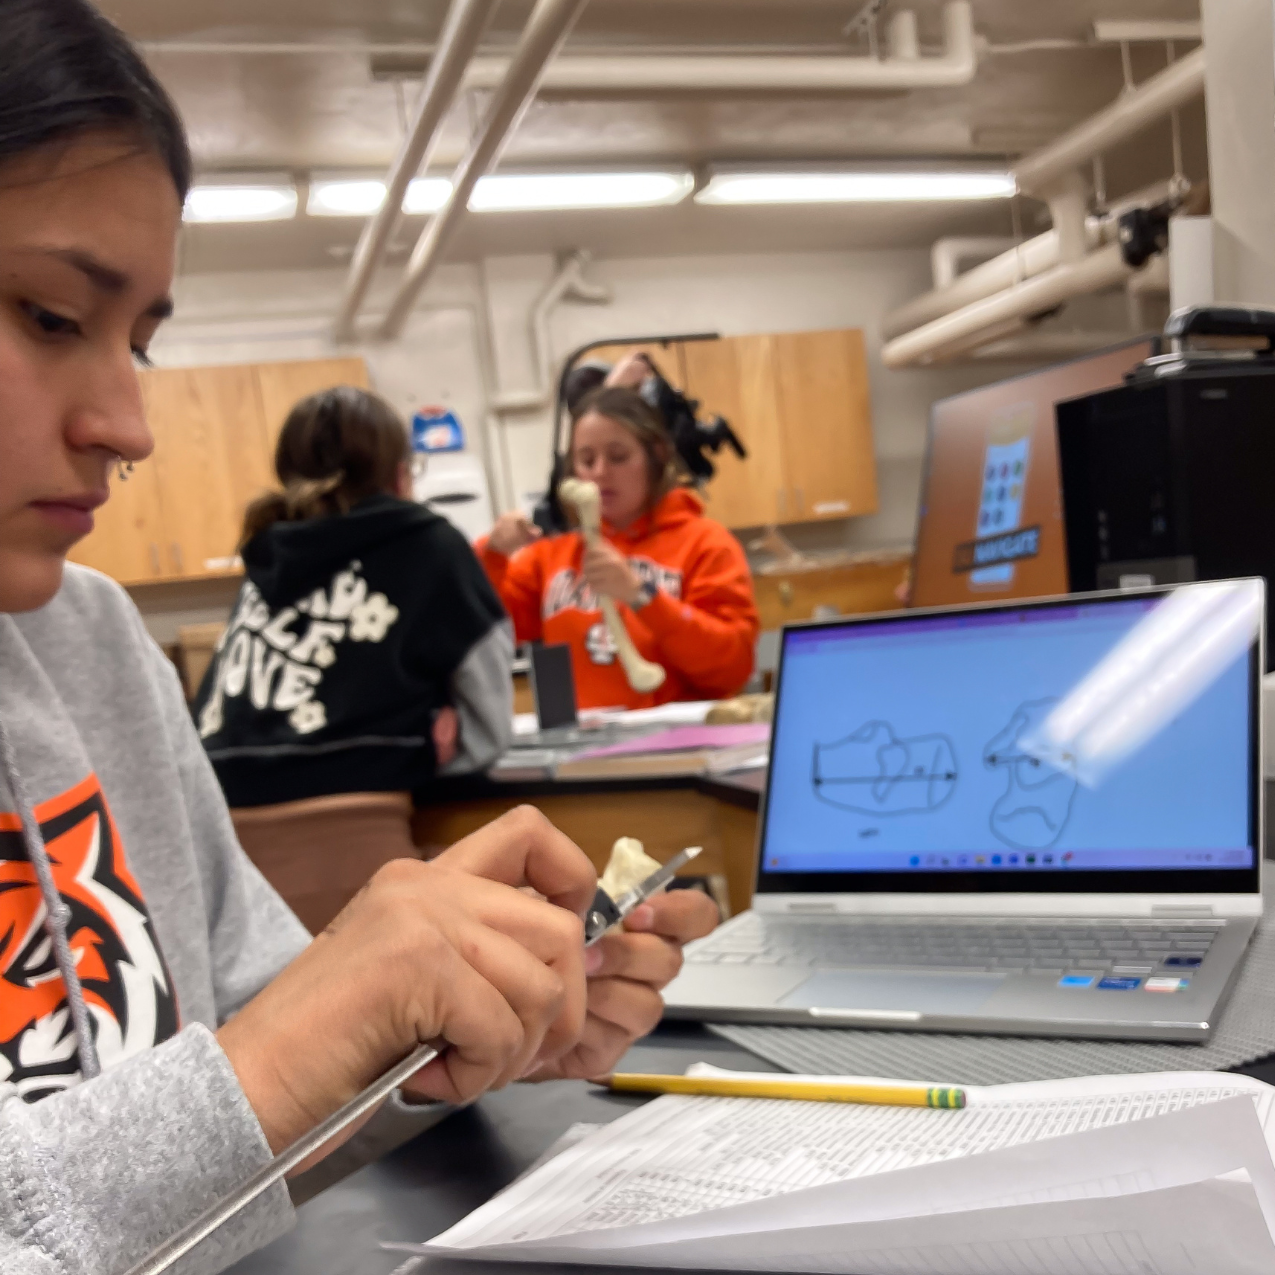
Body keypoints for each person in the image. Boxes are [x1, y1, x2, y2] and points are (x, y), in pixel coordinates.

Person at [0, 3, 717, 1272]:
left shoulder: (96, 639)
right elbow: (249, 1079)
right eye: (53, 317)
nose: (128, 421)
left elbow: (249, 1130)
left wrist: (451, 1044)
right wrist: (288, 1050)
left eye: (142, 343)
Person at [193, 385, 511, 806]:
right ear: (400, 475)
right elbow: (489, 732)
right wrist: (424, 751)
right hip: (361, 829)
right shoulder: (430, 543)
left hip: (228, 831)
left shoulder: (268, 552)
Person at [478, 387, 760, 709]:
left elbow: (732, 668)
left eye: (618, 457)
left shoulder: (705, 545)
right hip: (585, 750)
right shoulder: (552, 556)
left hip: (683, 747)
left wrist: (643, 597)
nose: (599, 473)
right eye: (586, 460)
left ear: (656, 455)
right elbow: (483, 633)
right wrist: (492, 554)